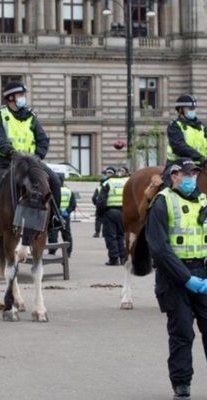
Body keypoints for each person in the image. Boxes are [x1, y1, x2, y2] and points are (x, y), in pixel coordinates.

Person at [146, 158, 207, 400]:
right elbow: (160, 248)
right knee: (182, 333)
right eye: (187, 174)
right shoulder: (163, 202)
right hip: (174, 278)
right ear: (174, 176)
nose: (191, 178)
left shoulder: (204, 200)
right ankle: (182, 385)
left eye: (194, 173)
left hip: (202, 273)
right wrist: (185, 278)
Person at [0, 81, 62, 231]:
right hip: (5, 160)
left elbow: (42, 139)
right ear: (10, 98)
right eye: (20, 95)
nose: (23, 98)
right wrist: (12, 153)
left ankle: (55, 217)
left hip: (30, 162)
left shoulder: (31, 116)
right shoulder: (0, 115)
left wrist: (38, 155)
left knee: (54, 179)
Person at [162, 95, 207, 186]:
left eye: (194, 108)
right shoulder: (174, 126)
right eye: (190, 108)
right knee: (168, 187)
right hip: (179, 164)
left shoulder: (201, 126)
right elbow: (179, 147)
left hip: (200, 164)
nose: (193, 110)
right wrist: (201, 158)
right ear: (180, 110)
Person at [96, 166, 129, 266]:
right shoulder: (124, 183)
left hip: (110, 212)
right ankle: (123, 257)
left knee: (110, 236)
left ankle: (114, 258)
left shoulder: (107, 183)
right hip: (123, 212)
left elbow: (101, 201)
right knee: (120, 236)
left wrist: (100, 214)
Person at [48, 174, 76, 257]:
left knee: (53, 234)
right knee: (66, 234)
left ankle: (52, 251)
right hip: (65, 216)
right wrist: (67, 211)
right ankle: (68, 252)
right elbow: (73, 204)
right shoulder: (68, 191)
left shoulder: (53, 191)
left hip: (54, 215)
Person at [92, 170, 109, 238]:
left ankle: (97, 232)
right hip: (106, 206)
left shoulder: (98, 188)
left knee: (98, 220)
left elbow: (94, 198)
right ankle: (104, 233)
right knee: (106, 220)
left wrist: (96, 204)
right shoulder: (108, 187)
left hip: (99, 207)